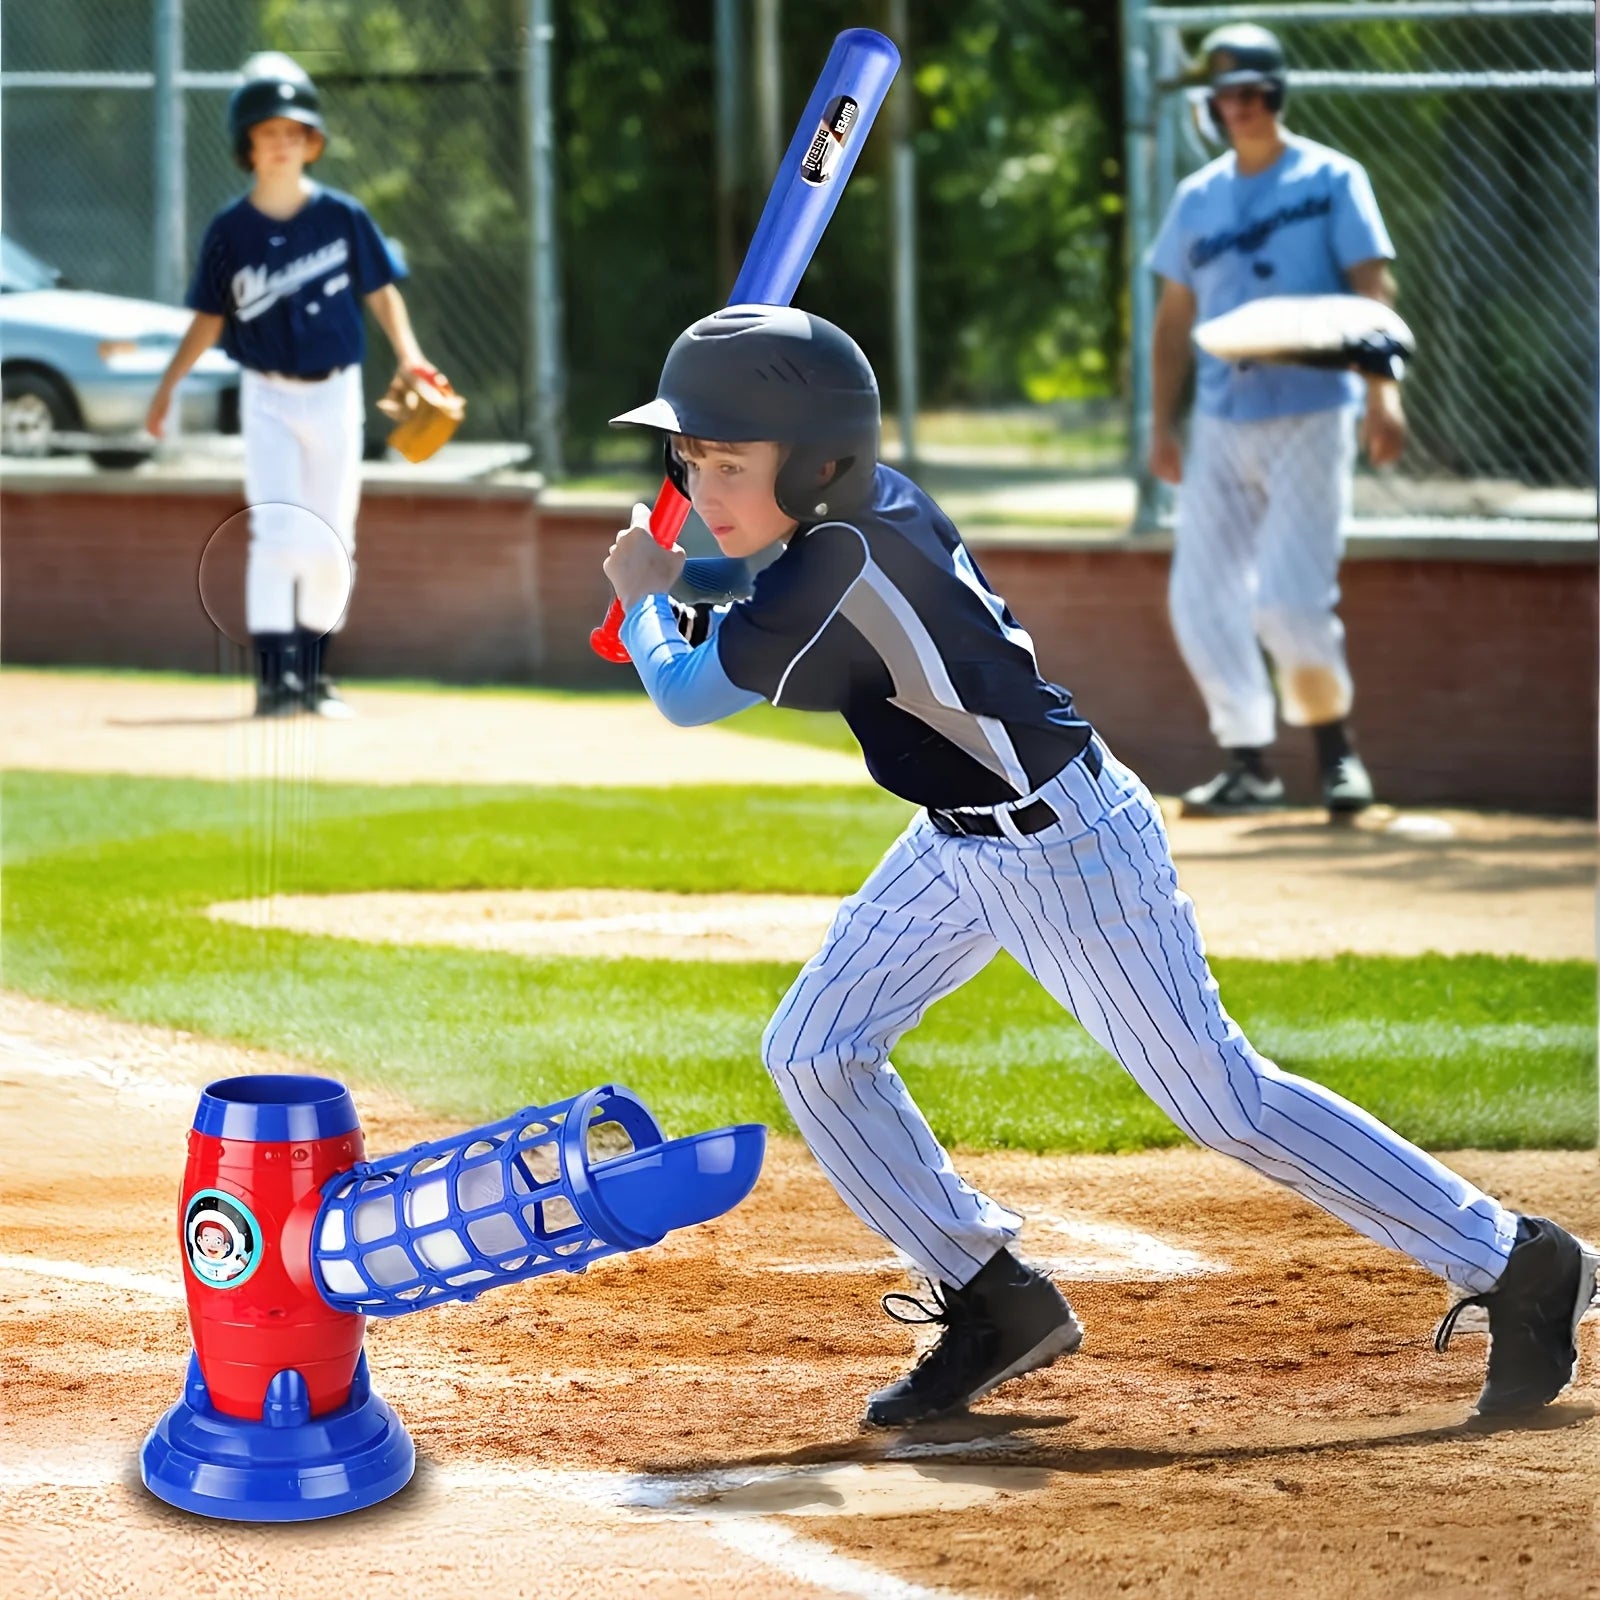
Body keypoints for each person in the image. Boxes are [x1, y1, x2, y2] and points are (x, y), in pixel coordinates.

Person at [601, 303, 1594, 1429]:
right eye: (690, 459)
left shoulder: (840, 557)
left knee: (1225, 1101)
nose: (707, 485)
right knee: (815, 1048)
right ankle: (991, 1296)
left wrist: (645, 598)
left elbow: (688, 692)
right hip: (954, 837)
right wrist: (683, 571)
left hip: (1066, 849)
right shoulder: (859, 514)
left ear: (820, 458)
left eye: (730, 461)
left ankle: (1515, 1259)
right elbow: (760, 582)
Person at [1147, 24, 1407, 817]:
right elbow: (1172, 319)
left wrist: (1384, 391)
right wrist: (1162, 422)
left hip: (1314, 409)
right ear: (1212, 108)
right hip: (1223, 416)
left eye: (1254, 93)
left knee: (1289, 604)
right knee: (1199, 599)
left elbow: (1373, 288)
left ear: (1278, 94)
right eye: (1227, 97)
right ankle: (1248, 762)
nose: (1241, 108)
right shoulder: (1198, 198)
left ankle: (1335, 754)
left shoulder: (1332, 178)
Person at [147, 52, 440, 718]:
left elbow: (381, 291)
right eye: (267, 132)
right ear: (245, 145)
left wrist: (411, 356)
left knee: (333, 538)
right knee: (277, 532)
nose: (281, 144)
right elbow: (207, 320)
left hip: (335, 393)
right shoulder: (230, 231)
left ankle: (313, 676)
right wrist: (167, 388)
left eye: (293, 132)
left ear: (311, 142)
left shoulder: (341, 216)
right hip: (268, 396)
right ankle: (273, 681)